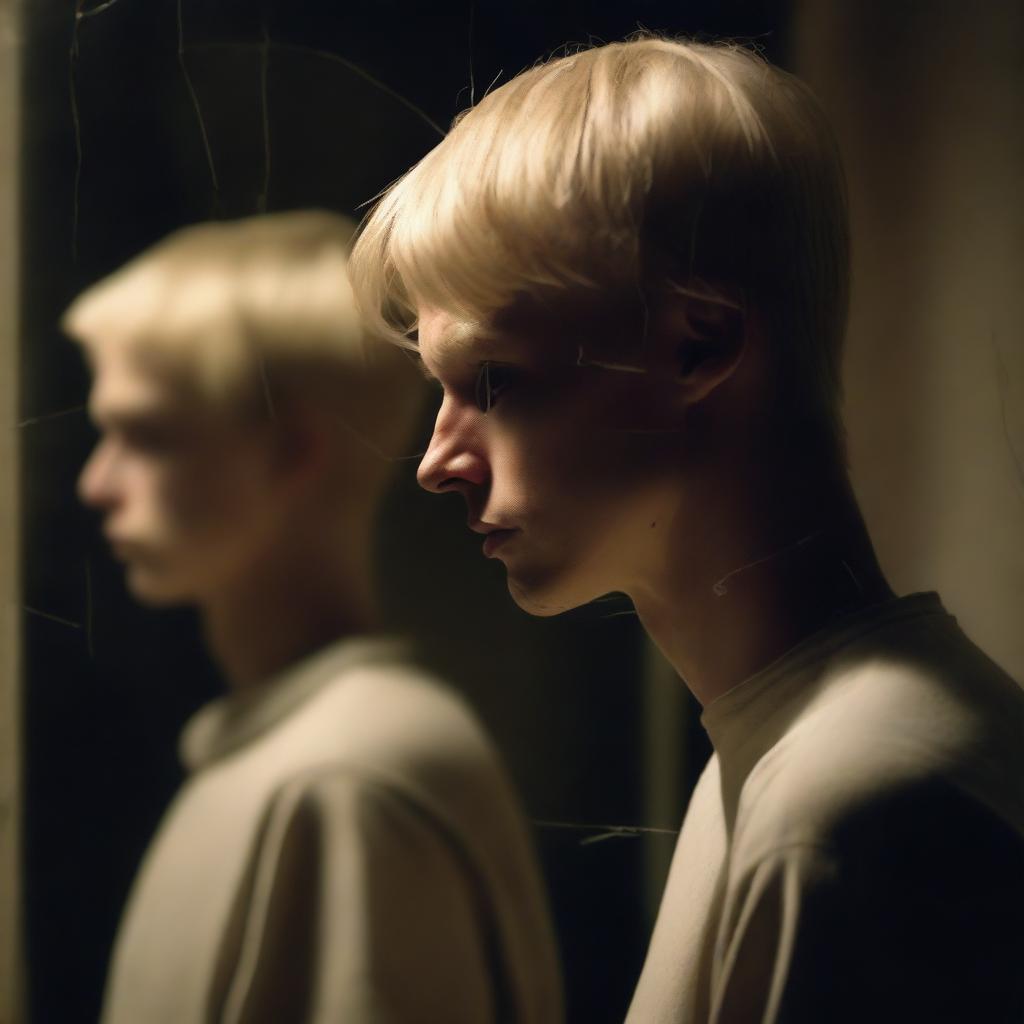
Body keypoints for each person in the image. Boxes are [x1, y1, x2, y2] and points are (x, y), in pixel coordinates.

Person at [348, 36, 1024, 1023]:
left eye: (494, 382)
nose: (436, 459)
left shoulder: (853, 810)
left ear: (699, 344)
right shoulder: (781, 765)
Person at [67, 210, 563, 1023]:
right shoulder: (297, 756)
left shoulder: (345, 779)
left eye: (146, 434)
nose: (98, 483)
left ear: (291, 451)